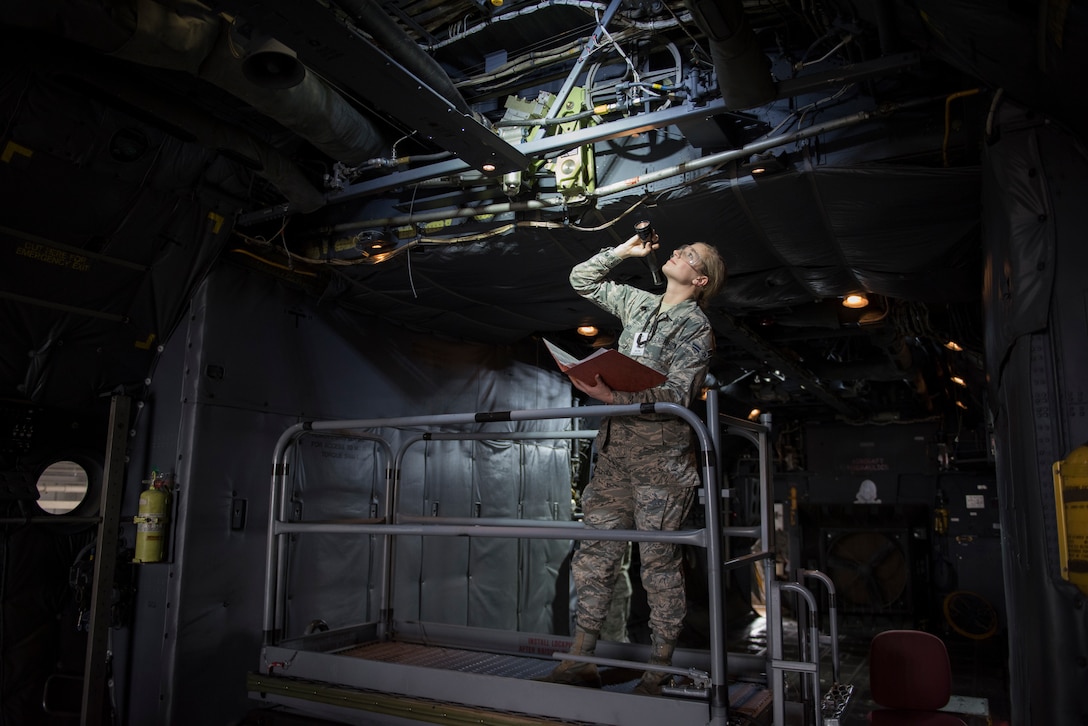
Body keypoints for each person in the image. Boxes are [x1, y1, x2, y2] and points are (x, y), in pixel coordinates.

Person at [542, 229, 726, 695]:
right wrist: (622, 251)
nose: (680, 250)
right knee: (594, 558)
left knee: (659, 565)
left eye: (691, 253)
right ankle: (581, 658)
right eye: (683, 247)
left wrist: (613, 394)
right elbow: (581, 279)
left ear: (701, 279)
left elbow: (680, 394)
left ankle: (659, 669)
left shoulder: (695, 328)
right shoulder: (639, 303)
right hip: (615, 455)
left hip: (661, 463)